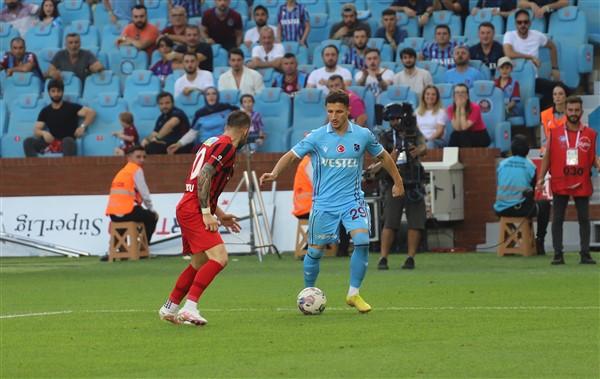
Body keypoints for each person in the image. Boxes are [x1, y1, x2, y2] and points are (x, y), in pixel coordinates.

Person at [260, 91, 405, 313]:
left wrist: (398, 181)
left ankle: (353, 293)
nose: (334, 116)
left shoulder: (362, 135)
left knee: (363, 241)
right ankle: (309, 292)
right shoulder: (317, 137)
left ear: (348, 111)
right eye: (330, 111)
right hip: (324, 204)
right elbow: (291, 155)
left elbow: (384, 157)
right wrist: (274, 173)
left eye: (338, 111)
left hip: (352, 200)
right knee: (315, 252)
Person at [158, 111, 251, 326]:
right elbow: (204, 175)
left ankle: (170, 306)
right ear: (245, 130)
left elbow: (203, 183)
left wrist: (220, 214)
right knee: (219, 258)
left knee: (199, 262)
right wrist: (207, 212)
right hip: (194, 208)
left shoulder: (212, 142)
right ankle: (190, 308)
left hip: (188, 205)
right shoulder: (227, 146)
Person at [537, 96, 599, 265]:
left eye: (576, 110)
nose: (573, 113)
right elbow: (547, 157)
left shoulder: (590, 134)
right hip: (560, 180)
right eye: (570, 110)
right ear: (565, 111)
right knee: (557, 219)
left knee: (584, 219)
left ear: (581, 111)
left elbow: (592, 156)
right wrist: (541, 178)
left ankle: (585, 254)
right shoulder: (555, 133)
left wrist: (598, 164)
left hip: (581, 181)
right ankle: (558, 254)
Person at [368, 103, 427, 270]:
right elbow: (377, 162)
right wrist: (390, 158)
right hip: (393, 181)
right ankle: (383, 257)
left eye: (398, 118)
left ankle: (410, 257)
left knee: (415, 221)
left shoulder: (413, 133)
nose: (395, 121)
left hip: (413, 180)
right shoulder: (385, 136)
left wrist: (418, 150)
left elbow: (424, 146)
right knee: (390, 221)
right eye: (392, 119)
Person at [105, 145, 159, 261]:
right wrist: (151, 209)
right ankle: (142, 249)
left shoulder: (122, 172)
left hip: (113, 213)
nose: (142, 160)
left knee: (136, 216)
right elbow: (145, 193)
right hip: (128, 210)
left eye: (144, 157)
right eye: (138, 157)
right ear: (129, 158)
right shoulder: (136, 170)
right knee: (152, 217)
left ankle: (117, 251)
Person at [503, 9, 561, 110]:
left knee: (560, 89)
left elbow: (552, 46)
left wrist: (555, 68)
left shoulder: (537, 35)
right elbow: (509, 53)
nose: (522, 25)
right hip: (514, 80)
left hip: (533, 79)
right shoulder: (509, 35)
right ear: (515, 24)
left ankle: (538, 111)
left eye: (525, 22)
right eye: (519, 22)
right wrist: (530, 57)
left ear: (530, 23)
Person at [536, 83, 569, 255]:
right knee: (548, 201)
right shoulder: (545, 115)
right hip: (550, 157)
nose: (557, 97)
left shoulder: (572, 114)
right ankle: (541, 239)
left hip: (566, 158)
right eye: (555, 94)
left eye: (561, 94)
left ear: (565, 96)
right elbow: (544, 139)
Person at [23, 79, 96, 157]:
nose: (56, 94)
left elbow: (91, 113)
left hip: (67, 143)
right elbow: (36, 130)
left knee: (68, 141)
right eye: (53, 91)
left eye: (58, 91)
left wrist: (82, 126)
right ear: (49, 93)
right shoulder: (45, 111)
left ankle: (66, 168)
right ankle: (36, 167)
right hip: (51, 142)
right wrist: (43, 133)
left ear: (62, 92)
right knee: (28, 142)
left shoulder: (71, 107)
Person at [168, 87, 239, 154]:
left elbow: (241, 118)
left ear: (218, 96)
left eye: (214, 93)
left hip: (223, 143)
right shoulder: (200, 113)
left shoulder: (227, 108)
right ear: (205, 97)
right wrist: (179, 144)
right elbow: (192, 132)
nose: (211, 96)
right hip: (206, 145)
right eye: (208, 94)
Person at [493, 135, 537, 217]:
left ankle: (513, 230)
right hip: (520, 209)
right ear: (527, 150)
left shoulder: (502, 164)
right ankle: (540, 230)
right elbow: (533, 191)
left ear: (512, 149)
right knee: (544, 205)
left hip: (500, 210)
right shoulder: (531, 166)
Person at [447, 83, 491, 147]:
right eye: (457, 92)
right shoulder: (450, 109)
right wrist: (457, 109)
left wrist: (461, 108)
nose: (460, 95)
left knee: (464, 134)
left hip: (480, 135)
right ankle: (450, 156)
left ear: (467, 96)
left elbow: (464, 127)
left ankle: (468, 156)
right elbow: (457, 128)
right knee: (454, 135)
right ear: (454, 96)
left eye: (463, 92)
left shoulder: (475, 107)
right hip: (463, 135)